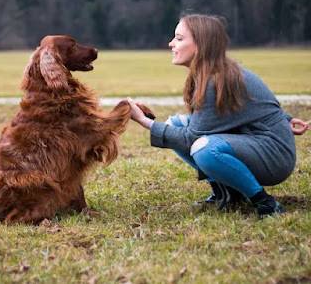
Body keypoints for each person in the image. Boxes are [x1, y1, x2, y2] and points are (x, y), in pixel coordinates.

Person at [128, 13, 309, 217]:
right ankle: (227, 192)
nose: (171, 44)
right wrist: (287, 118)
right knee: (175, 123)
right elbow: (252, 103)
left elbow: (191, 139)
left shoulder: (217, 79)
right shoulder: (214, 72)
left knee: (203, 148)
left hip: (274, 157)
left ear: (201, 45)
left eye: (179, 38)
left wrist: (144, 122)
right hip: (252, 141)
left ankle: (264, 202)